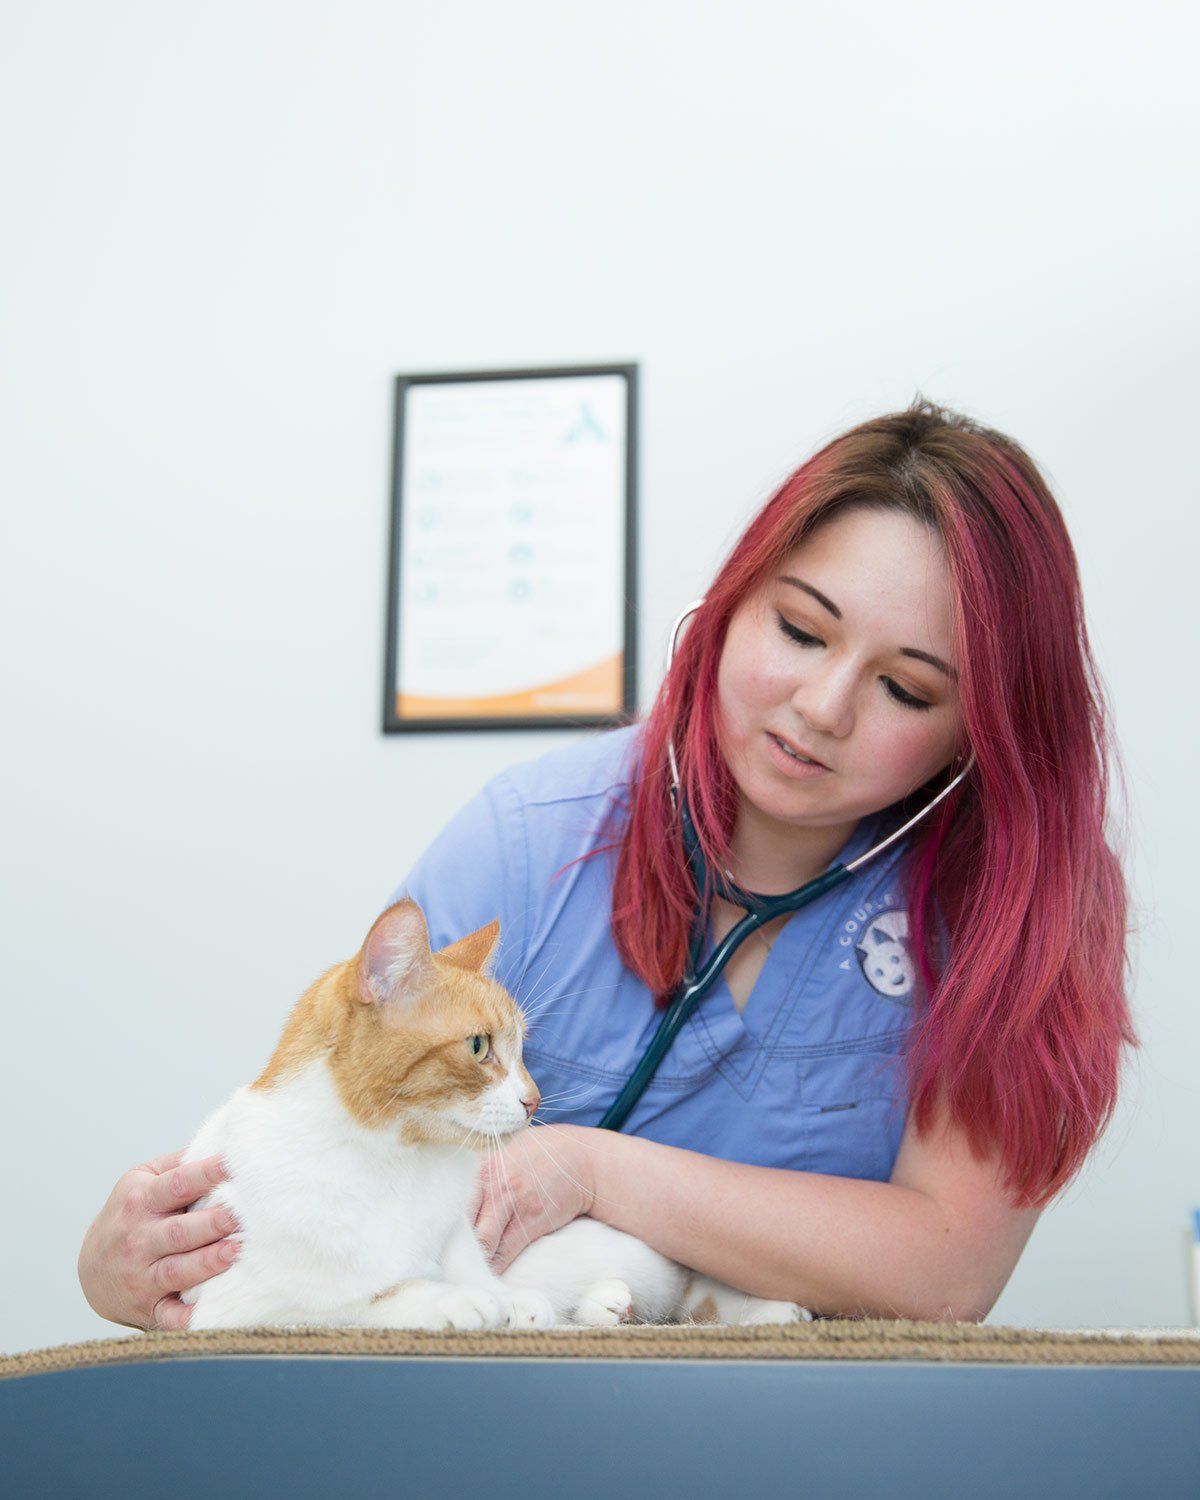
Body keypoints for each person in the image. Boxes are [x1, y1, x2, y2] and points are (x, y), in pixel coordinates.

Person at [78, 397, 1137, 1328]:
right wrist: (128, 1269)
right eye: (802, 631)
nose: (822, 708)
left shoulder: (1021, 912)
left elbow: (946, 1272)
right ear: (728, 606)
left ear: (980, 734)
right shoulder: (531, 840)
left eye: (907, 690)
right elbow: (341, 1119)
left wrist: (590, 1168)